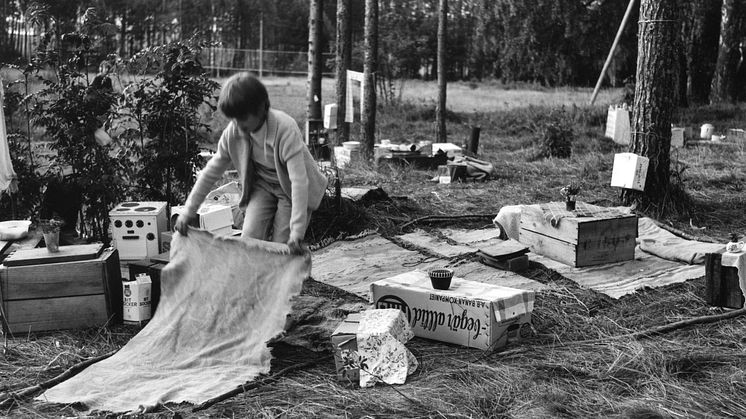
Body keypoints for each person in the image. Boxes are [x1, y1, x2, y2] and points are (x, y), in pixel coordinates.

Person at [175, 73, 328, 254]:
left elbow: (299, 183)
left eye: (243, 118)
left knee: (281, 247)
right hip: (262, 185)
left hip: (290, 188)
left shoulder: (285, 129)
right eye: (234, 119)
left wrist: (296, 231)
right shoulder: (234, 133)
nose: (238, 125)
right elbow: (210, 173)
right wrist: (188, 212)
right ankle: (255, 279)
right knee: (248, 240)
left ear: (261, 108)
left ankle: (285, 277)